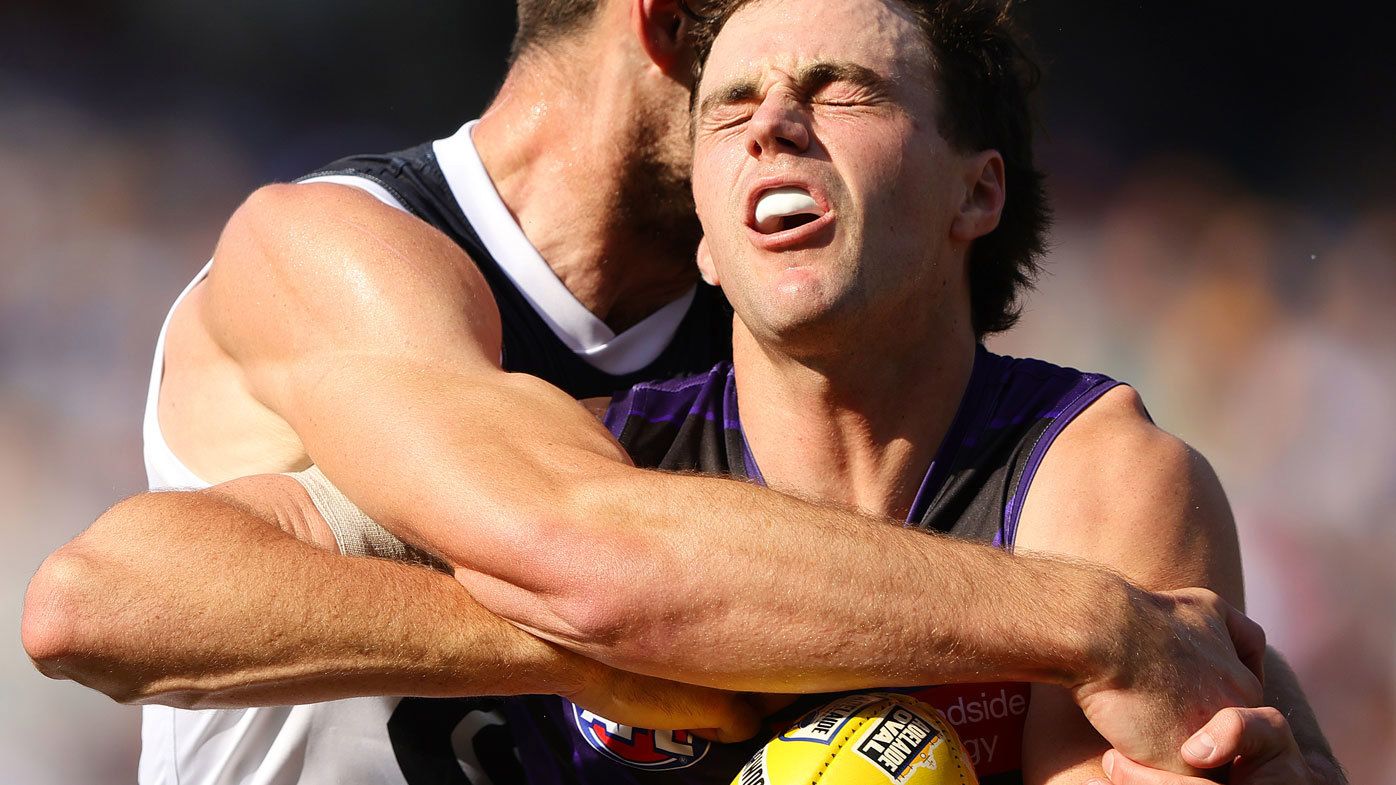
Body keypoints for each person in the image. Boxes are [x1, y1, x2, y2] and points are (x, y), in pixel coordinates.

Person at [20, 1, 1341, 784]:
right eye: (744, 82)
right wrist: (1081, 616)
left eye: (843, 85)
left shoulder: (796, 349)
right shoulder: (349, 251)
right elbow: (92, 599)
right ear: (670, 31)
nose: (777, 123)